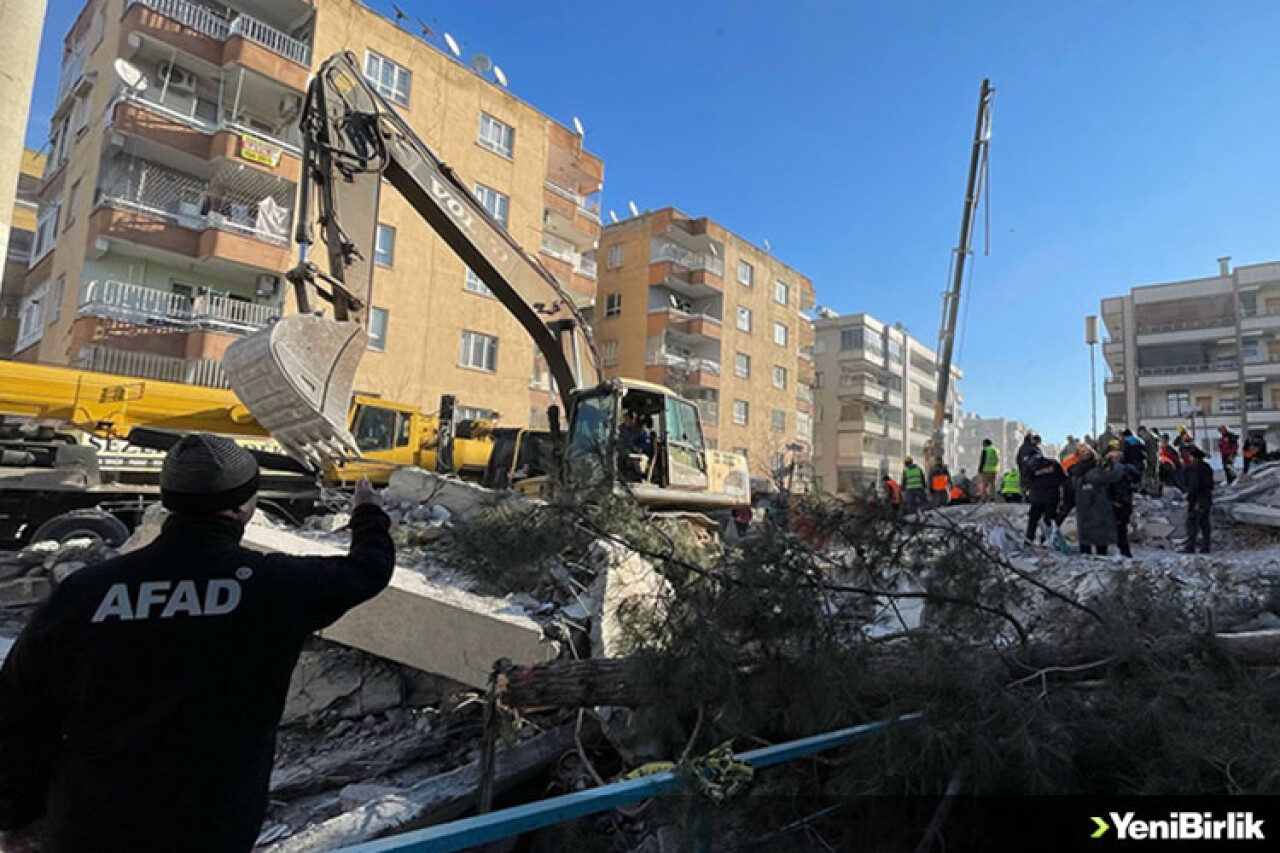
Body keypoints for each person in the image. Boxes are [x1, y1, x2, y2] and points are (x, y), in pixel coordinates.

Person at [0, 435, 396, 852]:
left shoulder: (84, 592)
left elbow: (19, 710)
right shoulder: (274, 586)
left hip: (88, 823)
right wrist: (367, 513)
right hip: (210, 826)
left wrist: (15, 815)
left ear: (169, 501)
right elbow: (367, 569)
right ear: (244, 506)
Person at [1068, 443, 1125, 556]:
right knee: (1100, 540)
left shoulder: (1077, 471)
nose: (1085, 453)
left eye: (1086, 451)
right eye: (1082, 452)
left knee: (1087, 539)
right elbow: (1115, 475)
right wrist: (1117, 463)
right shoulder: (1093, 472)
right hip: (1098, 506)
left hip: (1085, 508)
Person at [1024, 453, 1066, 545]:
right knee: (1049, 518)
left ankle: (1029, 538)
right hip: (1052, 496)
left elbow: (1026, 481)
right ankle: (1046, 539)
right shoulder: (1054, 464)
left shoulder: (1030, 466)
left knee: (1033, 519)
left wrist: (1029, 491)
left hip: (1037, 497)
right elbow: (1063, 479)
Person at [1103, 449, 1138, 558]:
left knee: (1120, 528)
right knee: (1116, 528)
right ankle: (1119, 551)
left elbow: (1135, 478)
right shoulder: (1110, 470)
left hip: (1121, 502)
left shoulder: (1124, 469)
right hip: (1116, 502)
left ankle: (1124, 551)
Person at [1183, 445, 1214, 553]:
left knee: (1192, 522)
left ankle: (1190, 546)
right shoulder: (1207, 467)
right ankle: (1206, 546)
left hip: (1197, 499)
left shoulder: (1194, 469)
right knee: (1205, 523)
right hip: (1207, 497)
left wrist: (1189, 499)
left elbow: (1193, 486)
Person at [1138, 425, 1161, 497]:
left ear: (1143, 431)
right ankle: (1155, 490)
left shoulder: (1148, 437)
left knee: (1149, 474)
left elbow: (1149, 449)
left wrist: (1145, 455)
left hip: (1151, 458)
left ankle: (1151, 490)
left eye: (1140, 433)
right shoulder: (1153, 436)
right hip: (1155, 457)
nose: (1140, 435)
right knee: (1155, 474)